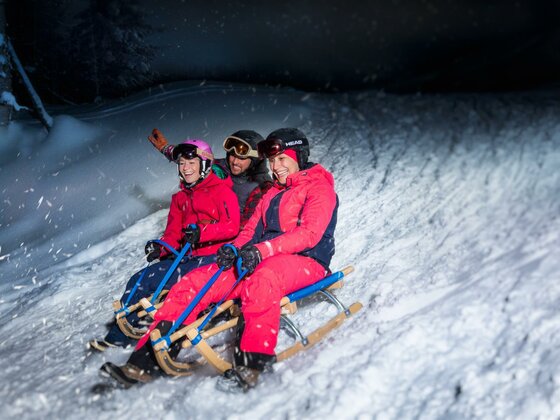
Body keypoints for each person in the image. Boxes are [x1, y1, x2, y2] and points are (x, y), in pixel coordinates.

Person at [100, 128, 339, 392]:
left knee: (262, 280)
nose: (276, 166)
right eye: (272, 161)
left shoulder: (319, 188)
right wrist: (234, 248)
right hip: (263, 258)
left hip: (306, 262)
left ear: (300, 157)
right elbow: (249, 231)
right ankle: (145, 359)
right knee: (195, 281)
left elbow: (309, 234)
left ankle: (251, 365)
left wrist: (264, 249)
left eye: (283, 159)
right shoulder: (272, 193)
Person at [89, 139, 240, 351]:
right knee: (141, 278)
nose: (186, 169)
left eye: (191, 163)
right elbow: (173, 234)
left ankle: (169, 337)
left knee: (185, 285)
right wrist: (161, 247)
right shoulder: (180, 199)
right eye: (181, 164)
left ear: (204, 165)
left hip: (213, 258)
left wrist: (201, 233)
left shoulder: (222, 192)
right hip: (187, 258)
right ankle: (118, 337)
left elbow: (232, 227)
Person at [148, 128, 273, 225]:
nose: (235, 162)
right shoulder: (221, 167)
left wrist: (214, 224)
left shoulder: (262, 186)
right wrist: (166, 149)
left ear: (255, 160)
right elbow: (195, 161)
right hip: (199, 229)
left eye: (241, 158)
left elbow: (250, 225)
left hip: (226, 240)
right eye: (232, 155)